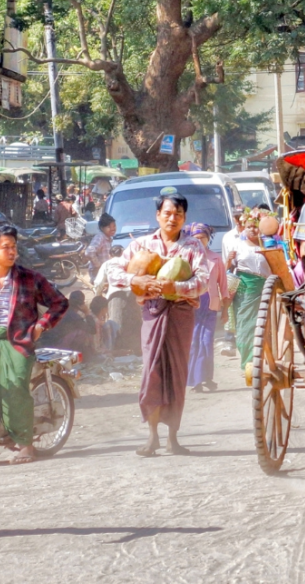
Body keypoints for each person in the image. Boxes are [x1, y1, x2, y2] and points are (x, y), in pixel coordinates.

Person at [108, 190, 209, 457]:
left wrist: (174, 286)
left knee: (176, 374)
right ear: (158, 215)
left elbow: (202, 281)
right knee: (151, 372)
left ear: (185, 217)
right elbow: (112, 271)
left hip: (181, 314)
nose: (172, 218)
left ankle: (172, 438)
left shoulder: (193, 247)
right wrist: (135, 281)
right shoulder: (141, 246)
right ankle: (152, 437)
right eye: (167, 213)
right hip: (152, 314)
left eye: (178, 214)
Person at [0, 224, 68, 464]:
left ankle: (25, 444)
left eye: (14, 247)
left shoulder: (29, 278)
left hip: (18, 339)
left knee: (14, 386)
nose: (12, 252)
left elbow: (59, 302)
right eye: (6, 247)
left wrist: (41, 325)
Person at [227, 210, 271, 372]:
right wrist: (228, 260)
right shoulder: (238, 246)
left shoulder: (269, 245)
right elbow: (227, 270)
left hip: (267, 288)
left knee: (264, 325)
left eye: (256, 227)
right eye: (250, 227)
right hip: (245, 288)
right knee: (245, 325)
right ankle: (248, 363)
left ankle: (261, 360)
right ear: (244, 228)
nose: (253, 230)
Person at [186, 223, 228, 393]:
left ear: (208, 239)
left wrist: (225, 310)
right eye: (196, 239)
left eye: (203, 238)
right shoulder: (186, 260)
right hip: (192, 306)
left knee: (206, 341)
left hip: (210, 305)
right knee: (194, 342)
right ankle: (195, 381)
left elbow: (223, 286)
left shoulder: (216, 259)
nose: (200, 241)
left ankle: (206, 378)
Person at [86, 213, 117, 279]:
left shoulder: (109, 238)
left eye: (114, 226)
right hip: (98, 274)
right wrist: (98, 265)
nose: (112, 229)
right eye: (109, 227)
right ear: (102, 228)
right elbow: (89, 252)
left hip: (106, 272)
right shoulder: (100, 237)